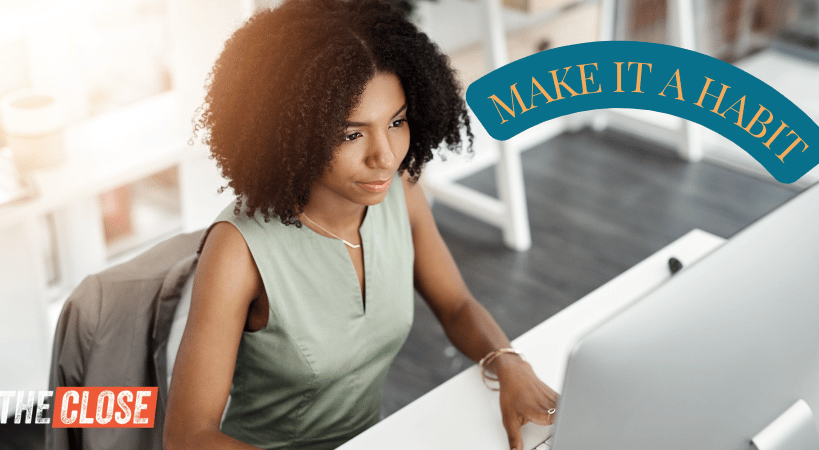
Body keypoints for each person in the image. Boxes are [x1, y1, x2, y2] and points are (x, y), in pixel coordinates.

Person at [163, 1, 558, 449]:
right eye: (352, 134)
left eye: (396, 122)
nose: (385, 156)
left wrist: (508, 363)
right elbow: (188, 437)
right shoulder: (239, 250)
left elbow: (456, 306)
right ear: (293, 134)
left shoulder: (399, 193)